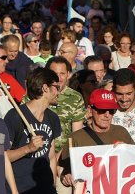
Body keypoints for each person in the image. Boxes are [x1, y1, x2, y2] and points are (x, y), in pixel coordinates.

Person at [59, 89, 135, 188]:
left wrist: (127, 151)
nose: (107, 115)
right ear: (90, 110)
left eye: (112, 110)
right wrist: (65, 177)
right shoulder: (76, 137)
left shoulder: (121, 132)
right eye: (102, 110)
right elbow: (63, 170)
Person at [4, 67, 61, 193]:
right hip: (22, 188)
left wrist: (53, 187)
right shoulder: (15, 116)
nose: (59, 92)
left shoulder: (53, 118)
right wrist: (28, 149)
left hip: (46, 189)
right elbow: (3, 156)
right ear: (46, 88)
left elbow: (51, 157)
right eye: (57, 87)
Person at [45, 56, 86, 193]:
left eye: (62, 73)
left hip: (64, 161)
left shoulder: (75, 98)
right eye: (54, 73)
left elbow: (76, 136)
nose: (58, 77)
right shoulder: (35, 95)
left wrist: (60, 162)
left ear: (69, 74)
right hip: (39, 159)